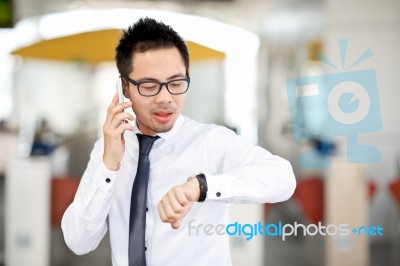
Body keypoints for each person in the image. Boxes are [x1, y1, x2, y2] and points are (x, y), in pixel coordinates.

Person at [61, 17, 296, 266]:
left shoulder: (211, 142)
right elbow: (79, 242)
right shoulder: (107, 150)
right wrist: (108, 166)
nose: (166, 98)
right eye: (149, 86)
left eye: (175, 83)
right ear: (124, 88)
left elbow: (283, 178)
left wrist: (201, 187)